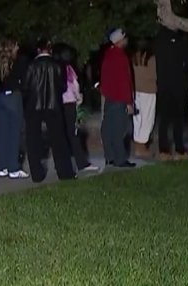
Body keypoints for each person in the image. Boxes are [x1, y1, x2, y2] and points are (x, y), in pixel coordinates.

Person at [23, 39, 77, 182]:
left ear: (38, 50)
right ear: (50, 50)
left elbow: (26, 87)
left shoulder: (31, 66)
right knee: (59, 139)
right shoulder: (57, 65)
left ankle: (37, 173)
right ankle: (65, 172)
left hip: (34, 106)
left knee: (33, 139)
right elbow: (62, 86)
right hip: (54, 105)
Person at [53, 43, 98, 173]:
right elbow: (74, 86)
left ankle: (62, 163)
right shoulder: (68, 69)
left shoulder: (54, 68)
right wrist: (79, 98)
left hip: (58, 104)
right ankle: (81, 163)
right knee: (73, 134)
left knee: (61, 134)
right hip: (69, 104)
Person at [0, 38, 29, 179]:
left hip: (0, 97)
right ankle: (13, 167)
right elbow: (24, 80)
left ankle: (2, 166)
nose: (18, 47)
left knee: (3, 132)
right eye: (15, 46)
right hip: (13, 97)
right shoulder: (18, 62)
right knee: (14, 133)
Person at [154, 27, 188, 159]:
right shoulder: (181, 42)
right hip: (178, 85)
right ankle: (179, 149)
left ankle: (163, 150)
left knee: (164, 119)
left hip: (163, 85)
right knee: (178, 119)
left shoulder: (158, 41)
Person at [100, 29, 136, 168]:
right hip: (119, 99)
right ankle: (120, 159)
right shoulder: (120, 57)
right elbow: (124, 81)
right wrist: (129, 102)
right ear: (120, 41)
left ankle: (109, 157)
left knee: (108, 129)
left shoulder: (108, 55)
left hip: (110, 98)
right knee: (119, 130)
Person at [131, 40, 157, 159]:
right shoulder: (151, 59)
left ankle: (138, 147)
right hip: (148, 91)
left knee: (137, 119)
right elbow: (155, 75)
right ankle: (141, 148)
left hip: (136, 91)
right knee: (147, 120)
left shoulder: (133, 58)